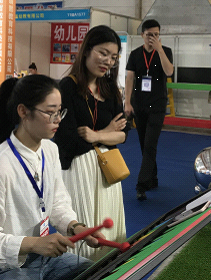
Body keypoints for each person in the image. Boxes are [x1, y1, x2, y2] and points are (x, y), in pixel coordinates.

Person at [0, 74, 104, 280]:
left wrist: (75, 227)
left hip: (44, 259)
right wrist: (35, 244)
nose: (58, 120)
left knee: (98, 273)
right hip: (5, 267)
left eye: (60, 112)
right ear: (23, 111)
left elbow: (57, 203)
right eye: (50, 113)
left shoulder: (50, 150)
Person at [53, 25, 129, 261]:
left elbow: (122, 136)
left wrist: (96, 136)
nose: (108, 61)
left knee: (109, 235)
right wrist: (108, 133)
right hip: (79, 172)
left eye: (113, 57)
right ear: (86, 50)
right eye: (103, 53)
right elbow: (67, 140)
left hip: (108, 174)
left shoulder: (111, 90)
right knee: (83, 238)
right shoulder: (67, 87)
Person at [125, 19, 174, 201]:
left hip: (157, 106)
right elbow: (130, 78)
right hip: (140, 105)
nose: (152, 38)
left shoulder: (165, 51)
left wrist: (159, 50)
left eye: (156, 35)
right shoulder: (135, 54)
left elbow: (169, 72)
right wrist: (127, 102)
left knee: (150, 144)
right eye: (149, 35)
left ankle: (142, 184)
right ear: (142, 35)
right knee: (144, 144)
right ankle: (152, 178)